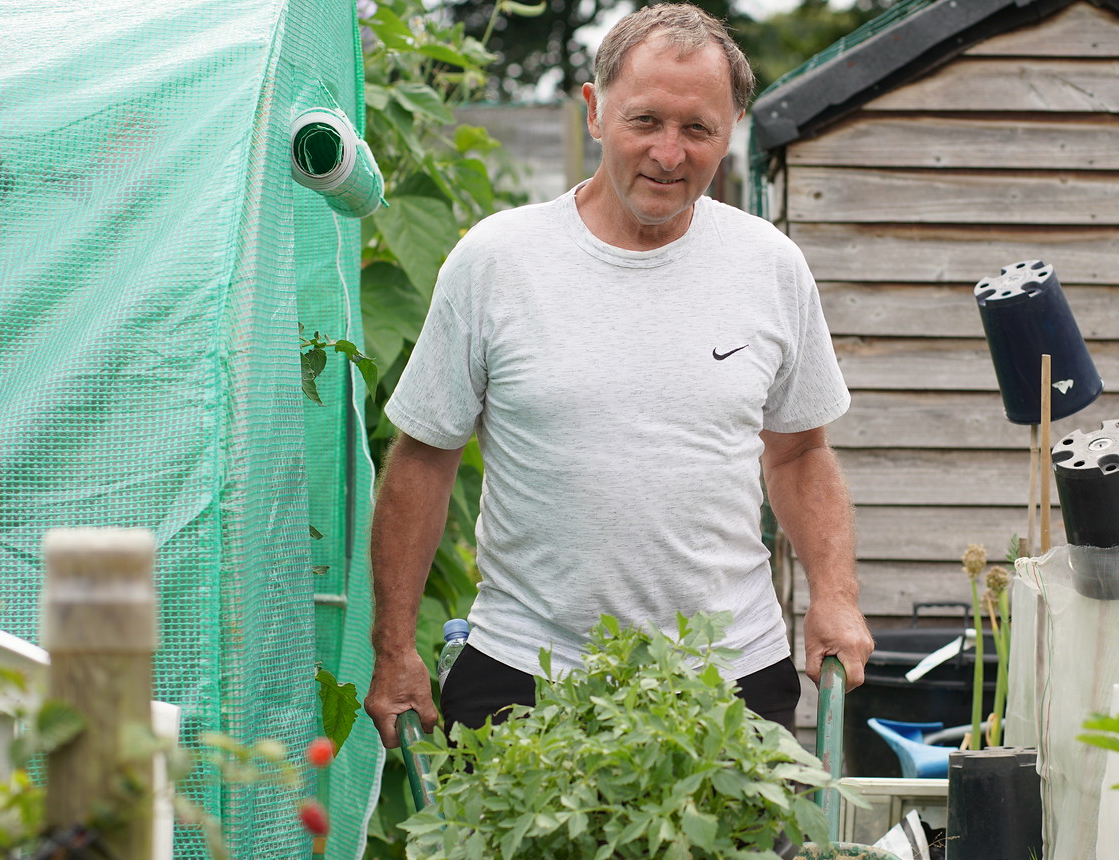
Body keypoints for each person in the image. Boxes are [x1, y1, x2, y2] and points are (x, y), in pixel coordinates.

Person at [363, 3, 873, 748]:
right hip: (528, 674)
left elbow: (798, 453)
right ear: (596, 112)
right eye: (646, 121)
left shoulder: (770, 266)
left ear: (730, 128)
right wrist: (394, 647)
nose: (669, 153)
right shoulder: (498, 260)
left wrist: (836, 594)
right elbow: (424, 457)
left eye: (697, 128)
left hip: (725, 676)